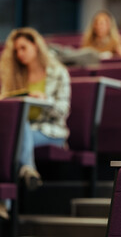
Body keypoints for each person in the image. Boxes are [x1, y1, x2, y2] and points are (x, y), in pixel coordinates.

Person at [0, 27, 71, 192]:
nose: (19, 54)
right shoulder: (16, 76)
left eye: (23, 48)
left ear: (35, 46)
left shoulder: (58, 73)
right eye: (16, 50)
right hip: (24, 129)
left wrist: (45, 101)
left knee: (15, 134)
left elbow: (63, 109)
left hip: (51, 131)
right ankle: (28, 170)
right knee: (17, 127)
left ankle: (5, 204)